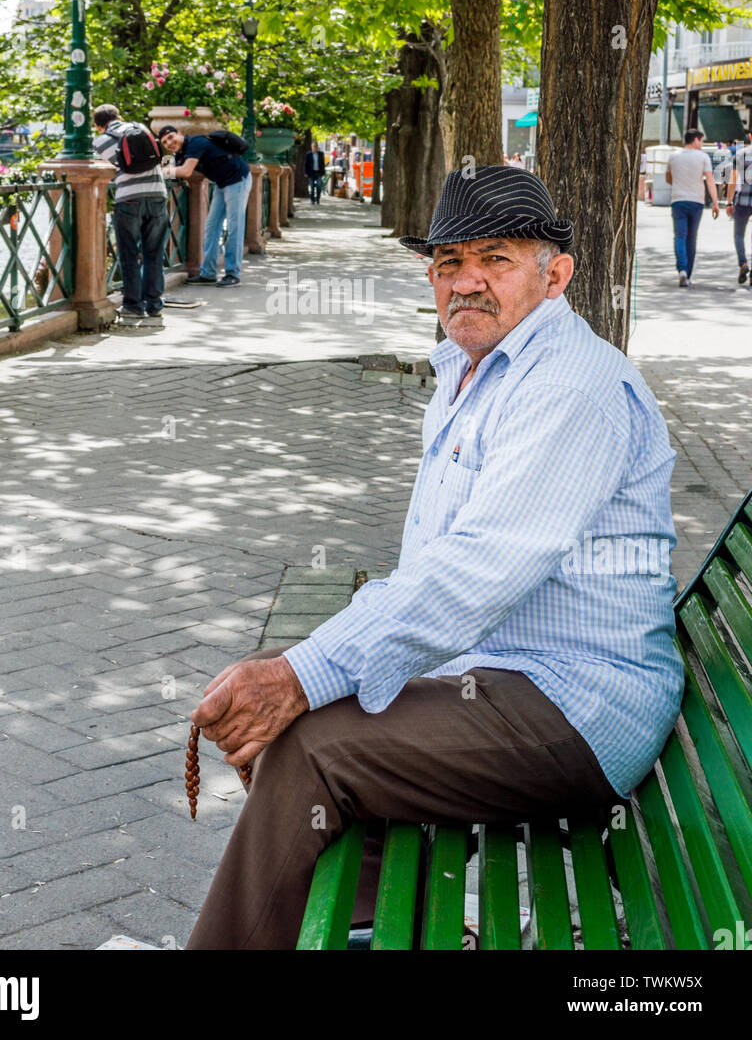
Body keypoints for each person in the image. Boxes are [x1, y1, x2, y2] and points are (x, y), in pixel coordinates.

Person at [185, 164, 684, 951]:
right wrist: (306, 669)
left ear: (554, 275)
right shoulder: (471, 370)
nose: (468, 281)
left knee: (315, 742)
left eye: (497, 259)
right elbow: (436, 567)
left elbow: (477, 575)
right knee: (304, 696)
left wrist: (306, 675)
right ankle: (368, 931)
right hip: (509, 674)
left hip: (579, 709)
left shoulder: (569, 387)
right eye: (450, 262)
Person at [93, 104, 169, 324]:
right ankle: (154, 304)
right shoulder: (141, 127)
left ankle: (133, 306)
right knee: (154, 252)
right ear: (119, 116)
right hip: (157, 194)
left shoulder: (100, 141)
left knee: (128, 254)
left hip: (129, 198)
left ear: (99, 126)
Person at [159, 125, 251, 287]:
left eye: (171, 137)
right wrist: (169, 170)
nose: (169, 143)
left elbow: (186, 171)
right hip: (222, 184)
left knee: (234, 227)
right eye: (165, 142)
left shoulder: (196, 142)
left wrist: (161, 172)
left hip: (237, 178)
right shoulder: (181, 153)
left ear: (180, 133)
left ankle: (232, 274)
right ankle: (208, 273)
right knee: (211, 226)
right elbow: (178, 171)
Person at [666, 128, 719, 286]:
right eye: (701, 141)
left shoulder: (673, 156)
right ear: (695, 140)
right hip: (697, 202)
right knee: (691, 238)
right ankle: (687, 275)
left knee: (679, 236)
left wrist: (680, 184)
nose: (702, 144)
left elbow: (668, 178)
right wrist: (715, 202)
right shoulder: (703, 157)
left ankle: (681, 269)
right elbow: (709, 180)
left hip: (678, 200)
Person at [726, 139, 752, 285]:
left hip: (742, 200)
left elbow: (733, 179)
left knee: (738, 234)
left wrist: (729, 201)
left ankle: (743, 263)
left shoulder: (741, 154)